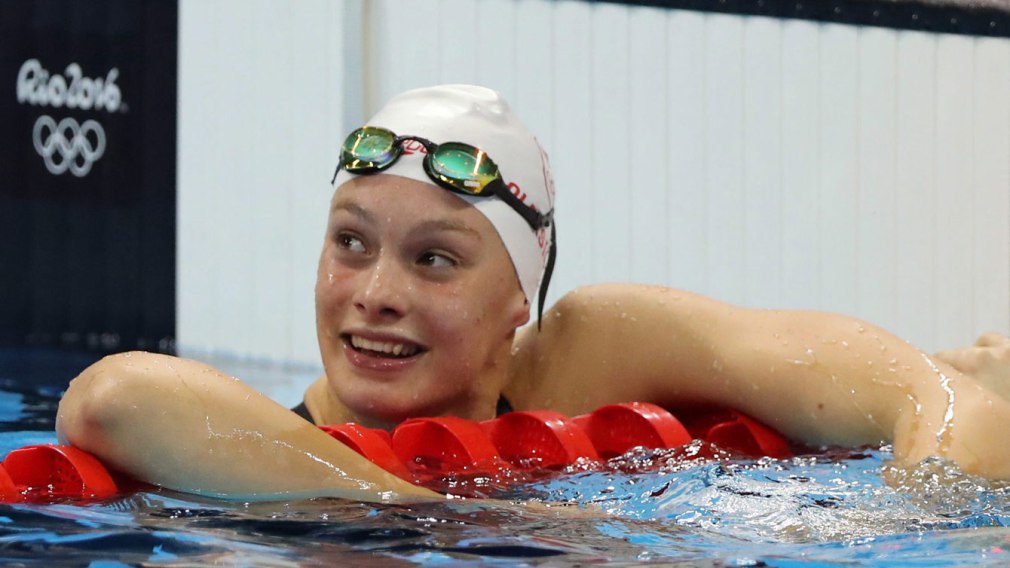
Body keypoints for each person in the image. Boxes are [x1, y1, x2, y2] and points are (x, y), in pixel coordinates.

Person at [56, 84, 1010, 503]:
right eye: (351, 244)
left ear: (521, 297)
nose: (373, 295)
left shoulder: (594, 350)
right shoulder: (230, 440)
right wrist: (428, 513)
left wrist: (926, 504)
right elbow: (109, 399)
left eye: (435, 260)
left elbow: (936, 401)